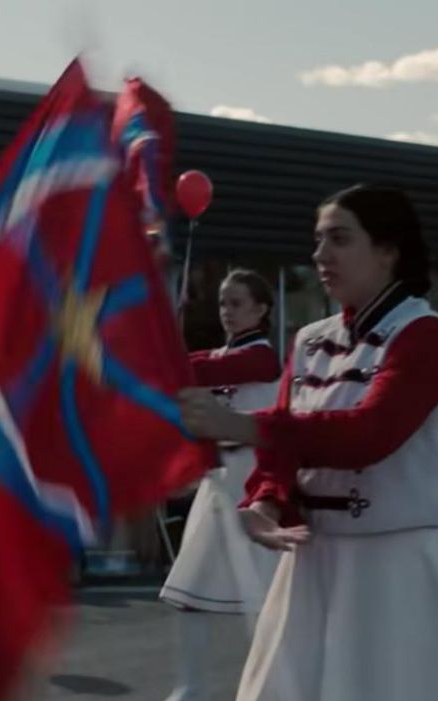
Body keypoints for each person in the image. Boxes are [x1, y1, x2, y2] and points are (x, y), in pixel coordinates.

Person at [178, 185, 438, 701]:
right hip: (310, 566)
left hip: (395, 570)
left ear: (387, 250)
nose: (319, 255)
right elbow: (285, 445)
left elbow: (369, 434)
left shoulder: (425, 334)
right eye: (317, 240)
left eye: (339, 239)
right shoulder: (310, 338)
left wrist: (239, 424)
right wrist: (264, 499)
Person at [160, 269, 283, 701]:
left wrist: (164, 356)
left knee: (266, 599)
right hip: (217, 485)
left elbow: (203, 371)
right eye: (222, 304)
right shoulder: (215, 356)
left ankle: (273, 688)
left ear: (261, 309)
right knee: (189, 592)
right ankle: (190, 688)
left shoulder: (264, 358)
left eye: (236, 303)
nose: (227, 312)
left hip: (253, 487)